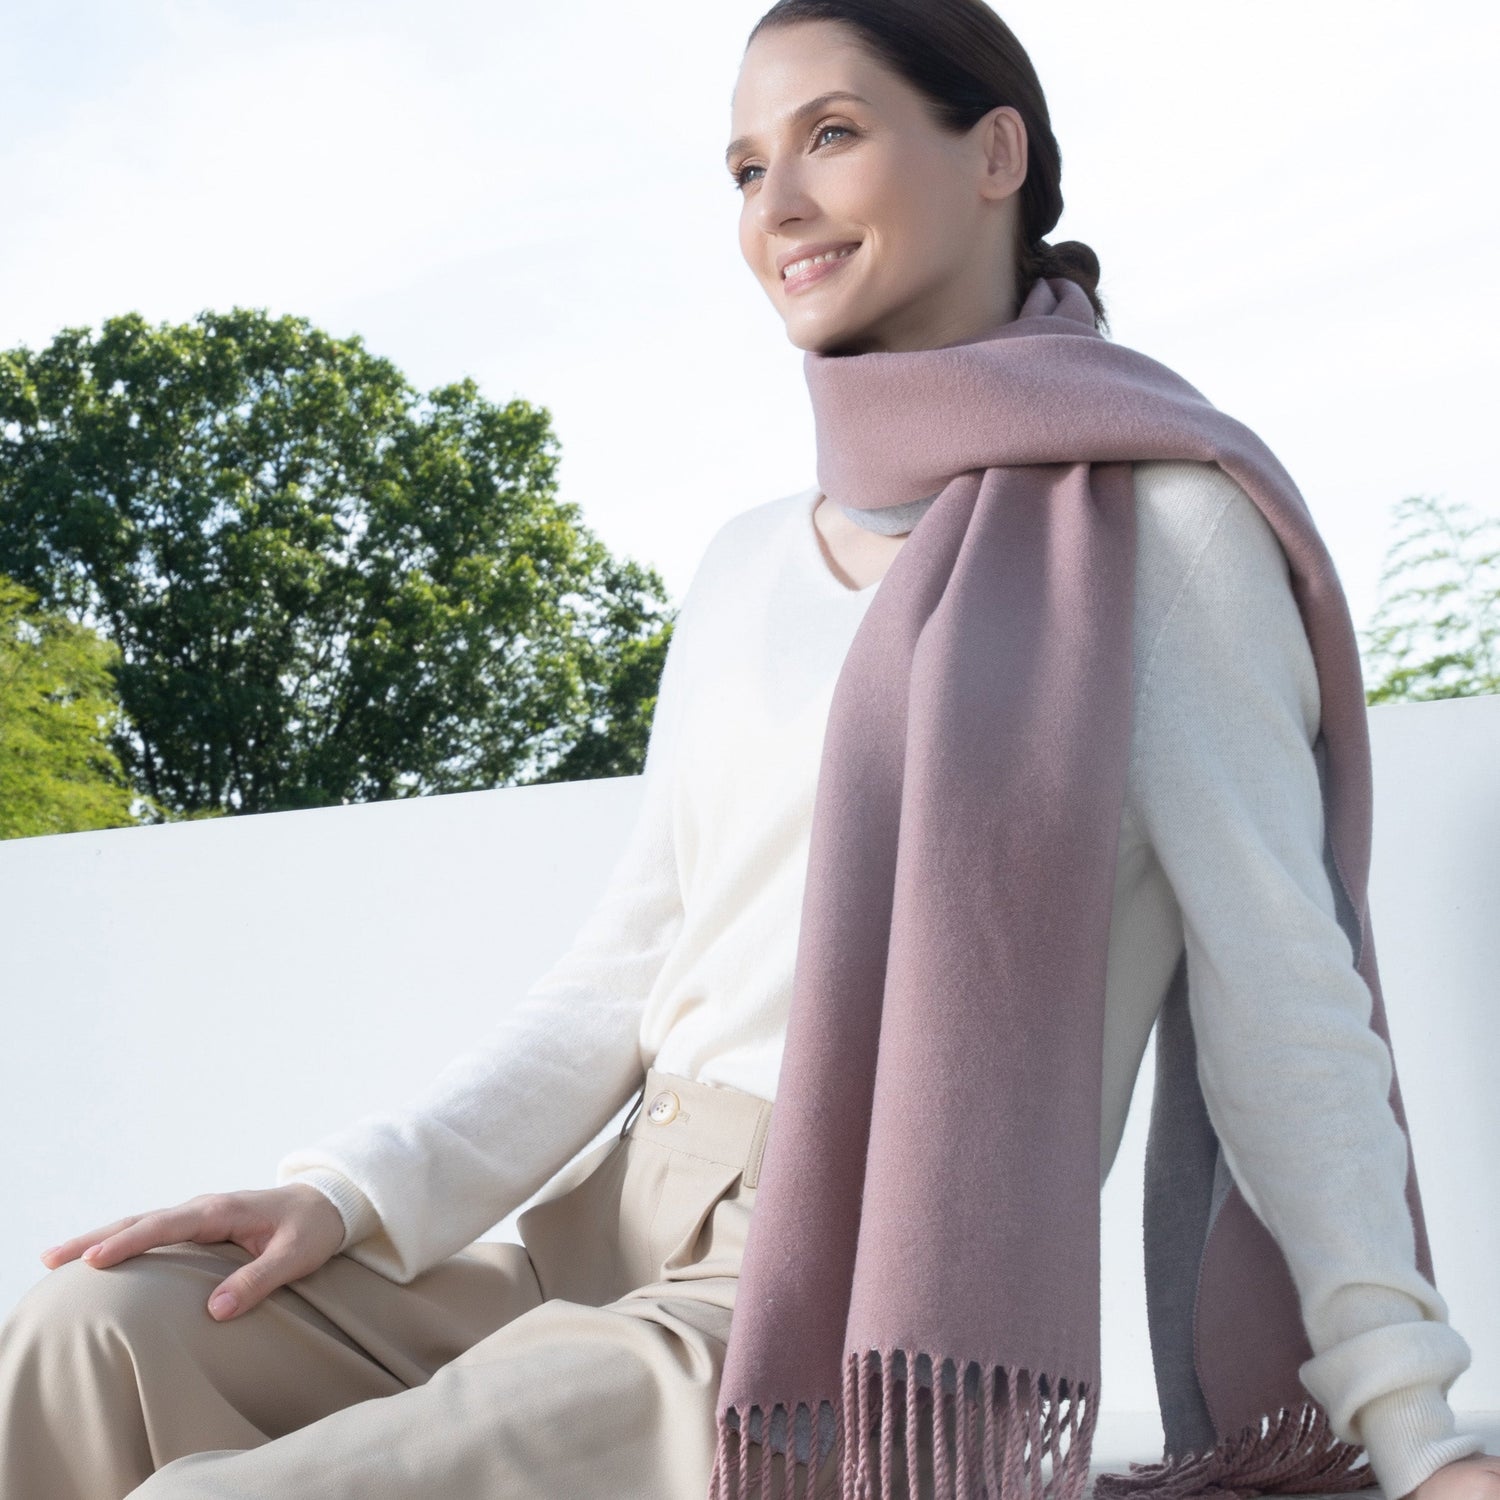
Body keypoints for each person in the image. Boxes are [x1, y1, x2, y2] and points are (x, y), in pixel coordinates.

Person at [2, 3, 1493, 1498]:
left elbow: (1287, 1000)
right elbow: (629, 973)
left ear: (995, 152)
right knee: (90, 1330)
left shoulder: (1165, 538)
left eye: (829, 137)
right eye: (740, 167)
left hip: (825, 1331)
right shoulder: (744, 564)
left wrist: (1411, 1426)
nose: (774, 207)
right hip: (599, 1245)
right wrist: (344, 1192)